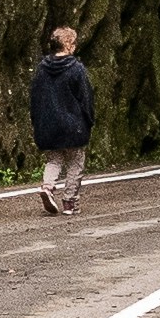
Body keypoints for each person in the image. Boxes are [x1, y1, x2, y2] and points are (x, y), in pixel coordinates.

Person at [29, 24, 94, 213]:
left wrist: (37, 122)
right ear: (68, 45)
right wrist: (88, 120)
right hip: (73, 126)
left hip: (48, 125)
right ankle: (70, 202)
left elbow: (35, 98)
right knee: (75, 162)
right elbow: (86, 98)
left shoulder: (41, 69)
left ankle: (47, 187)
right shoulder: (76, 69)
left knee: (54, 160)